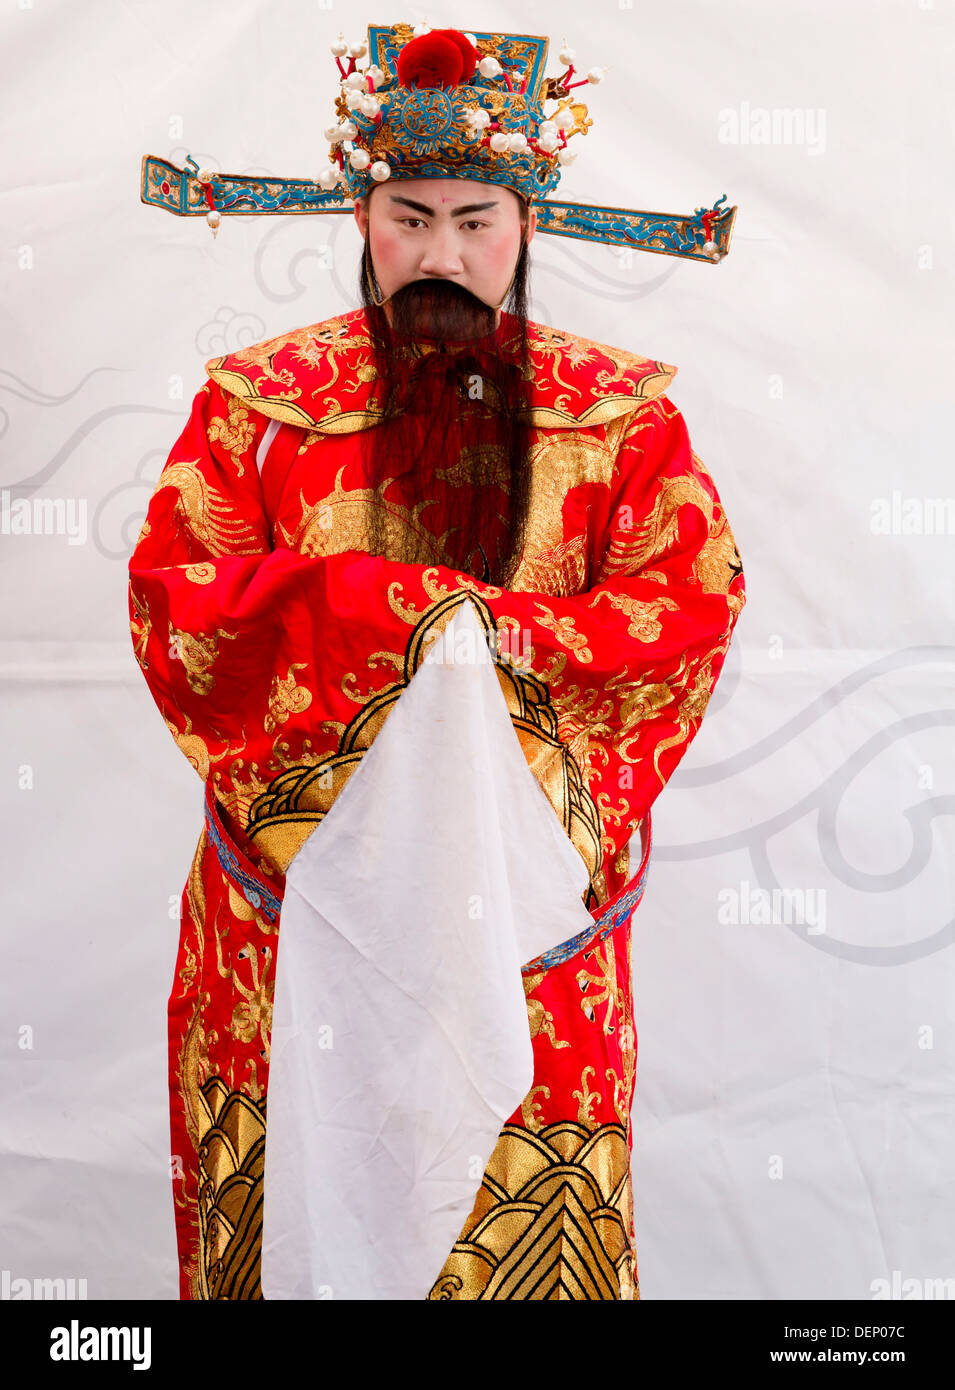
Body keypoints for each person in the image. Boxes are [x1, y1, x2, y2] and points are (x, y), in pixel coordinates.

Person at [130, 22, 745, 1300]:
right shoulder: (259, 403)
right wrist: (393, 620)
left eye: (479, 220)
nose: (443, 256)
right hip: (290, 909)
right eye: (410, 217)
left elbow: (684, 608)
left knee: (514, 1219)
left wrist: (488, 643)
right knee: (291, 1193)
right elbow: (178, 598)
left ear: (530, 224)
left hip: (532, 918)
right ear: (360, 211)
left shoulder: (622, 417)